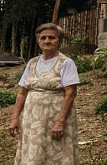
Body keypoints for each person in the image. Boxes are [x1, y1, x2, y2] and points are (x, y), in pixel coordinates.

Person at [9, 23, 79, 164]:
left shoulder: (66, 63)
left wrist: (60, 122)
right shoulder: (32, 63)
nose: (47, 41)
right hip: (32, 120)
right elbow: (22, 92)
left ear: (59, 41)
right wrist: (15, 118)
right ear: (38, 40)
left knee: (57, 151)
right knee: (33, 152)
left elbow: (70, 93)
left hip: (55, 118)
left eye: (51, 37)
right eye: (43, 38)